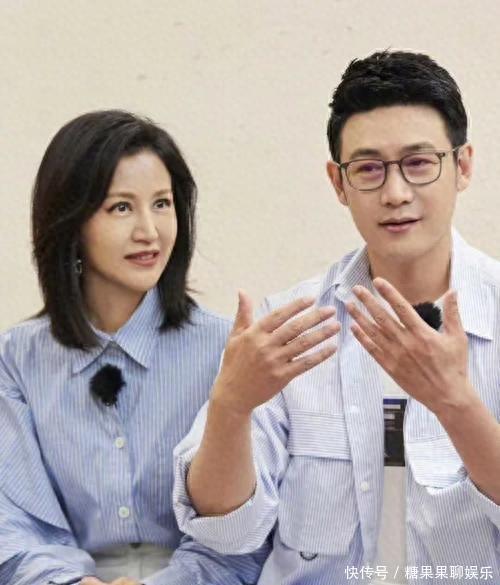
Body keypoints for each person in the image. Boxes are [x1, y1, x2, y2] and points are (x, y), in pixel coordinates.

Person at [173, 51, 500, 584]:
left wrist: (455, 404)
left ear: (462, 166)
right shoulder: (290, 327)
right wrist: (230, 406)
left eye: (419, 163)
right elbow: (226, 534)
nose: (395, 193)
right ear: (338, 182)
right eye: (368, 169)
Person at [0, 109, 334, 585]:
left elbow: (240, 540)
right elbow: (13, 524)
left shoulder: (226, 352)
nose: (149, 231)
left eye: (162, 203)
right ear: (71, 221)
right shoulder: (15, 360)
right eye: (121, 208)